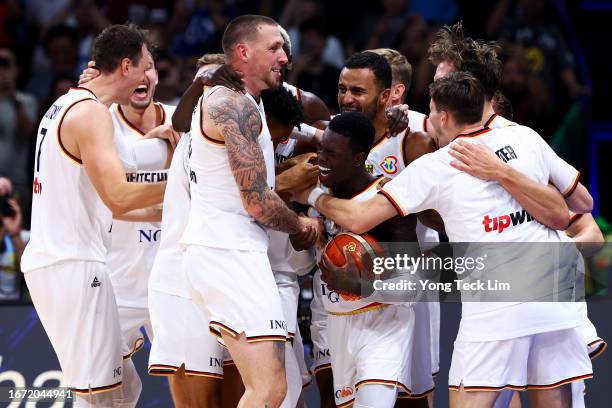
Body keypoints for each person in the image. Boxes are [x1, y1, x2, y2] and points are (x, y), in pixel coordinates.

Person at [296, 72, 593, 408]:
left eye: (431, 112)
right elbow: (580, 204)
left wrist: (312, 194)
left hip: (497, 306)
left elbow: (356, 217)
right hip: (556, 296)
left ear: (444, 116)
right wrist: (505, 175)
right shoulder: (525, 137)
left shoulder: (438, 164)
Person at [21, 24, 166, 407]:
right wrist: (185, 184)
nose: (149, 74)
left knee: (124, 390)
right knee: (99, 398)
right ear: (125, 67)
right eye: (145, 65)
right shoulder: (90, 114)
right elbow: (119, 196)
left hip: (61, 261)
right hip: (74, 265)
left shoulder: (66, 104)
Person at [180, 15, 321, 408]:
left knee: (269, 389)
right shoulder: (231, 104)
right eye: (274, 47)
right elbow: (257, 201)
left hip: (230, 251)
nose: (285, 57)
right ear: (243, 52)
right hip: (228, 252)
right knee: (269, 389)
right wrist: (301, 225)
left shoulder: (242, 102)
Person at [311, 111, 430, 407]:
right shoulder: (314, 190)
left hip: (383, 322)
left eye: (331, 153)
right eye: (321, 149)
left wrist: (360, 284)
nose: (321, 159)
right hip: (338, 321)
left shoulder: (387, 197)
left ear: (357, 158)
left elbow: (413, 285)